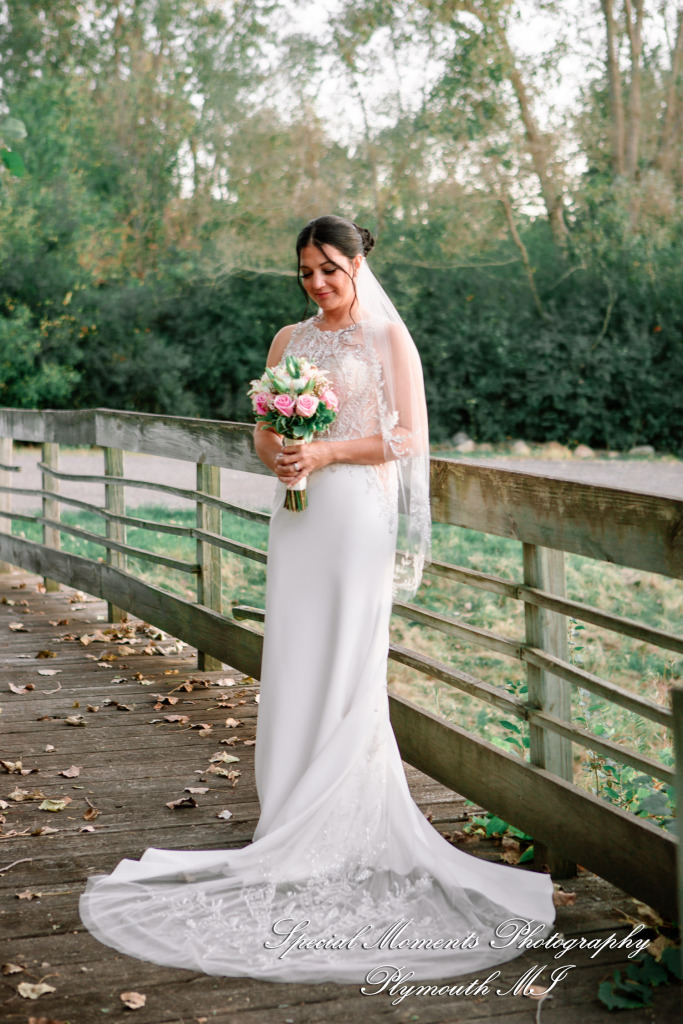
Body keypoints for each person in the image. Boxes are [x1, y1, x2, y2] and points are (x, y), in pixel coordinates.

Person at [79, 214, 556, 984]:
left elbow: (406, 438)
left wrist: (328, 448)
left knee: (346, 657)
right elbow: (262, 430)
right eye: (305, 272)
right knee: (295, 653)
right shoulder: (286, 342)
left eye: (329, 270)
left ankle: (339, 819)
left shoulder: (386, 342)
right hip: (298, 519)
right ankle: (289, 814)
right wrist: (284, 459)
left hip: (356, 519)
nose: (317, 285)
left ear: (358, 263)